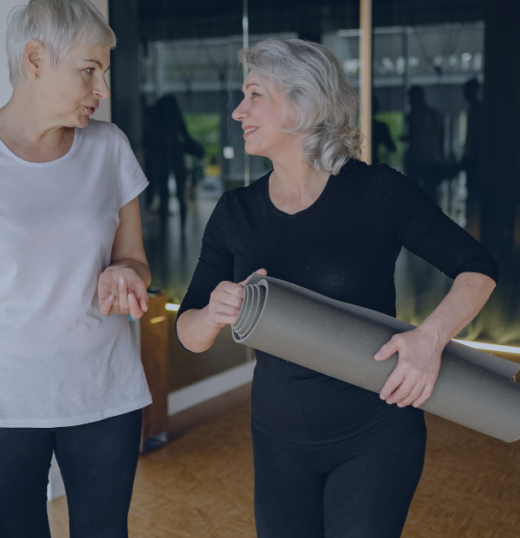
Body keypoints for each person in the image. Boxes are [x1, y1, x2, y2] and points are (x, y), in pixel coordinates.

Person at [176, 39, 499, 537]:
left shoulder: (377, 192)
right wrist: (215, 311)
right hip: (277, 439)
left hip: (377, 435)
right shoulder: (234, 213)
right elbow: (189, 332)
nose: (238, 111)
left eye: (255, 94)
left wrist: (429, 339)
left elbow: (477, 267)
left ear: (303, 103)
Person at [0, 1, 152, 536]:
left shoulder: (109, 149)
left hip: (105, 396)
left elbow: (134, 260)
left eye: (104, 72)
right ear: (35, 59)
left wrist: (127, 274)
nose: (103, 89)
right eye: (89, 71)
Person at [143, 94, 204, 232]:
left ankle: (165, 231)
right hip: (175, 158)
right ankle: (180, 230)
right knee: (179, 196)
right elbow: (187, 138)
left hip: (165, 159)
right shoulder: (174, 119)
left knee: (165, 196)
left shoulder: (157, 120)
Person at [404, 85, 446, 201]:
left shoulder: (420, 115)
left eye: (411, 97)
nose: (410, 100)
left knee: (422, 194)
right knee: (426, 194)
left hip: (424, 160)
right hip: (425, 160)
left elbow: (436, 137)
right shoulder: (429, 114)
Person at [461, 78, 483, 236]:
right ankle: (472, 225)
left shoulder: (478, 109)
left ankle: (474, 226)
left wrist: (470, 154)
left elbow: (476, 135)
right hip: (473, 155)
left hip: (475, 156)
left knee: (474, 191)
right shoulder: (473, 108)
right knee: (472, 191)